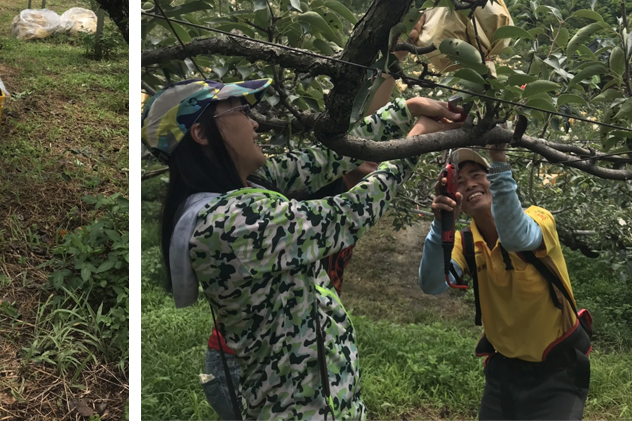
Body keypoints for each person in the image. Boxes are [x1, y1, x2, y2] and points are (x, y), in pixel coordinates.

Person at [141, 78, 464, 420]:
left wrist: (408, 108)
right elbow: (348, 215)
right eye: (240, 111)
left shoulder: (245, 189)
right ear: (202, 135)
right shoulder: (230, 221)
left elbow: (324, 159)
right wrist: (414, 142)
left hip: (325, 400)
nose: (254, 122)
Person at [419, 147, 591, 420]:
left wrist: (499, 161)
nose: (471, 184)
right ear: (458, 199)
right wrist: (441, 226)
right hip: (504, 375)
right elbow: (433, 283)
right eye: (460, 183)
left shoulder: (538, 218)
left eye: (477, 175)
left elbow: (515, 237)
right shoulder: (464, 243)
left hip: (558, 371)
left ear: (495, 181)